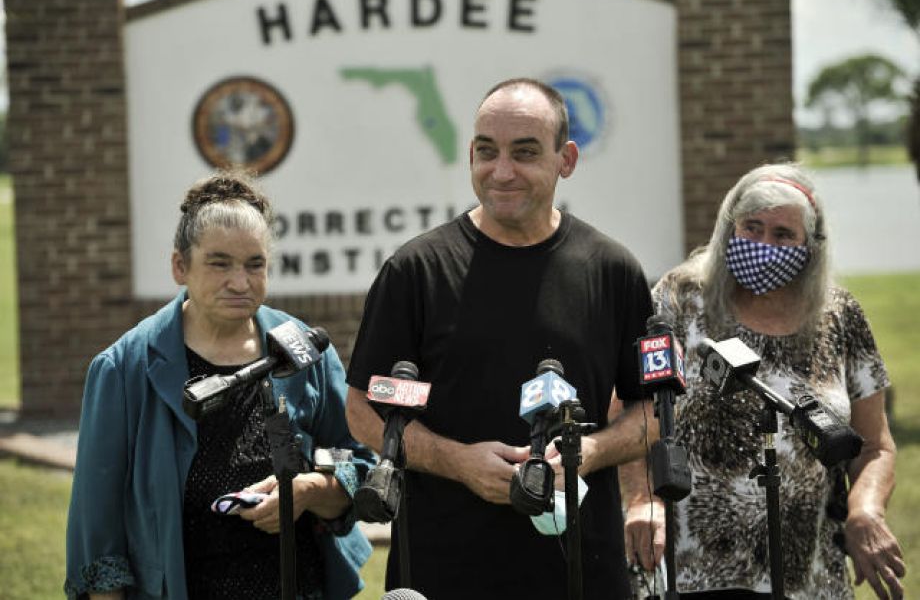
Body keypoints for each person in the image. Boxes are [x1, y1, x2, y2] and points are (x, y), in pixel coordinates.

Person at [345, 77, 657, 599]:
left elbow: (652, 412)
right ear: (470, 153)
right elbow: (363, 408)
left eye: (526, 152)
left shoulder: (612, 270)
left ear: (567, 159)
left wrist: (587, 452)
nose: (502, 171)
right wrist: (459, 463)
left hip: (581, 568)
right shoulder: (415, 271)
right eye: (487, 152)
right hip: (444, 568)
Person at [65, 171, 374, 600]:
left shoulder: (303, 349)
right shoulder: (123, 369)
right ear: (180, 266)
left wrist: (309, 491)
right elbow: (97, 532)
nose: (240, 282)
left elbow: (358, 463)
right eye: (219, 263)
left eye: (254, 264)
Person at [623, 163, 905, 599]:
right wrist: (643, 499)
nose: (763, 246)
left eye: (782, 235)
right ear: (727, 229)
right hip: (691, 570)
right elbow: (632, 413)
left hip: (808, 574)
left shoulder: (840, 315)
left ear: (810, 246)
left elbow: (875, 445)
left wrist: (865, 509)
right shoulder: (679, 300)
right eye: (751, 228)